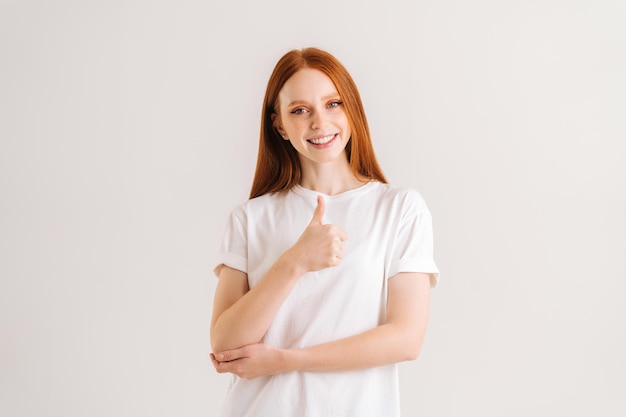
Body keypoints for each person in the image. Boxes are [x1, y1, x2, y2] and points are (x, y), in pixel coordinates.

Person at [210, 47, 439, 417]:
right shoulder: (250, 218)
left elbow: (406, 339)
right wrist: (294, 262)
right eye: (300, 110)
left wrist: (286, 360)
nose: (319, 122)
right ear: (280, 125)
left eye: (333, 104)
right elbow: (224, 343)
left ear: (351, 109)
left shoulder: (400, 209)